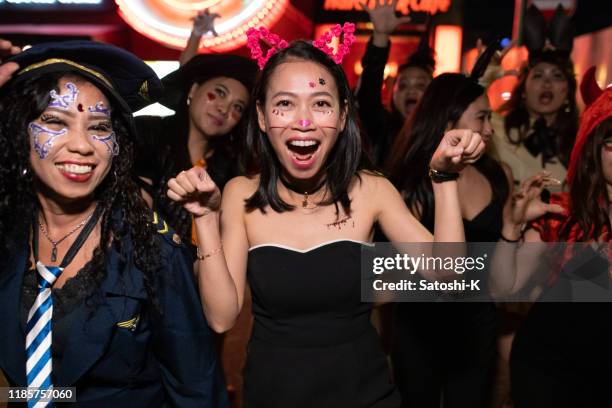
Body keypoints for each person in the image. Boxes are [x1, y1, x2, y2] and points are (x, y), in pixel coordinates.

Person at [166, 24, 486, 407]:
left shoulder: (371, 190)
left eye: (320, 103)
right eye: (285, 103)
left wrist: (445, 177)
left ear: (342, 113)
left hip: (366, 397)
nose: (304, 120)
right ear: (263, 117)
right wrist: (203, 217)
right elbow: (221, 318)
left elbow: (447, 274)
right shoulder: (241, 194)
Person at [0, 41, 227, 407]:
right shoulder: (7, 229)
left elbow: (196, 386)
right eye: (55, 121)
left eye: (99, 127)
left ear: (117, 145)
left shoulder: (153, 249)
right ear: (18, 131)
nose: (82, 145)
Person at [385, 48, 509, 407]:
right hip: (421, 323)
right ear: (448, 121)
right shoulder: (411, 179)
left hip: (478, 322)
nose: (489, 129)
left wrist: (515, 223)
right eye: (482, 118)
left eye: (490, 118)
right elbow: (391, 269)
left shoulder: (497, 175)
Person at [490, 68, 612, 408]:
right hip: (548, 372)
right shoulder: (563, 215)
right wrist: (511, 230)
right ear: (593, 149)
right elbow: (504, 288)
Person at [134, 53, 258, 244]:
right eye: (220, 93)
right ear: (193, 90)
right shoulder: (149, 134)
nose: (224, 109)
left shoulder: (232, 169)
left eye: (238, 107)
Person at [492, 4, 578, 185]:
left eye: (557, 76)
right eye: (538, 75)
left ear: (568, 91)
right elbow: (457, 113)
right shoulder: (496, 130)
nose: (547, 83)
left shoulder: (582, 141)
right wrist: (480, 80)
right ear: (523, 89)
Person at [357, 0, 434, 165]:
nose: (411, 91)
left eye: (421, 85)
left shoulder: (442, 137)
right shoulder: (382, 130)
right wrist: (380, 37)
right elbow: (367, 95)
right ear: (393, 94)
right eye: (403, 85)